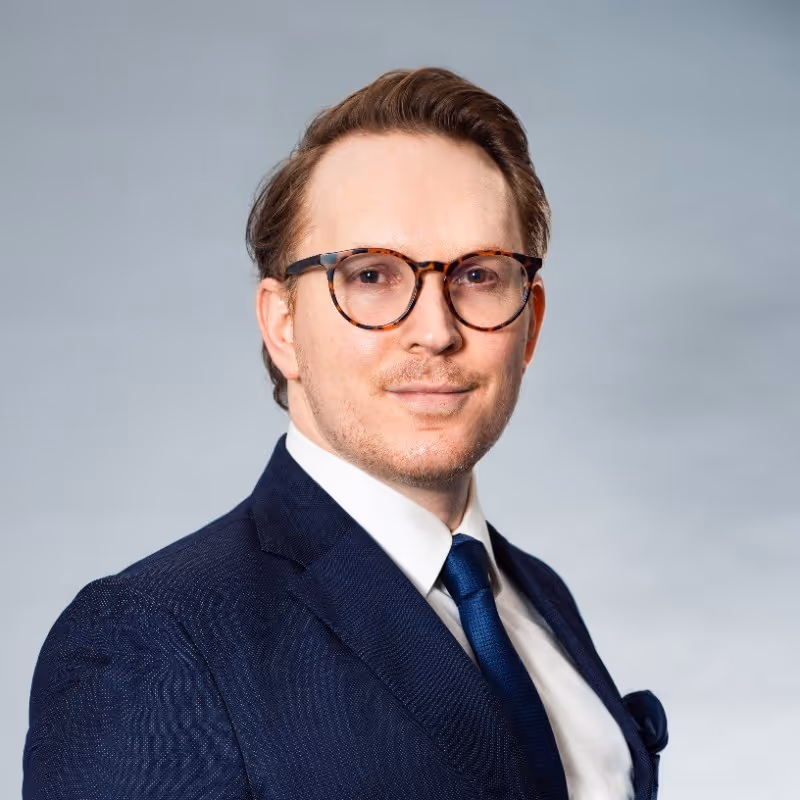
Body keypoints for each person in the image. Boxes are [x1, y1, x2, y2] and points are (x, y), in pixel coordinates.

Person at [22, 67, 667, 800]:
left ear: (531, 323)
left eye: (479, 276)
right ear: (283, 325)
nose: (436, 330)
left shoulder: (540, 598)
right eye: (370, 276)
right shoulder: (153, 640)